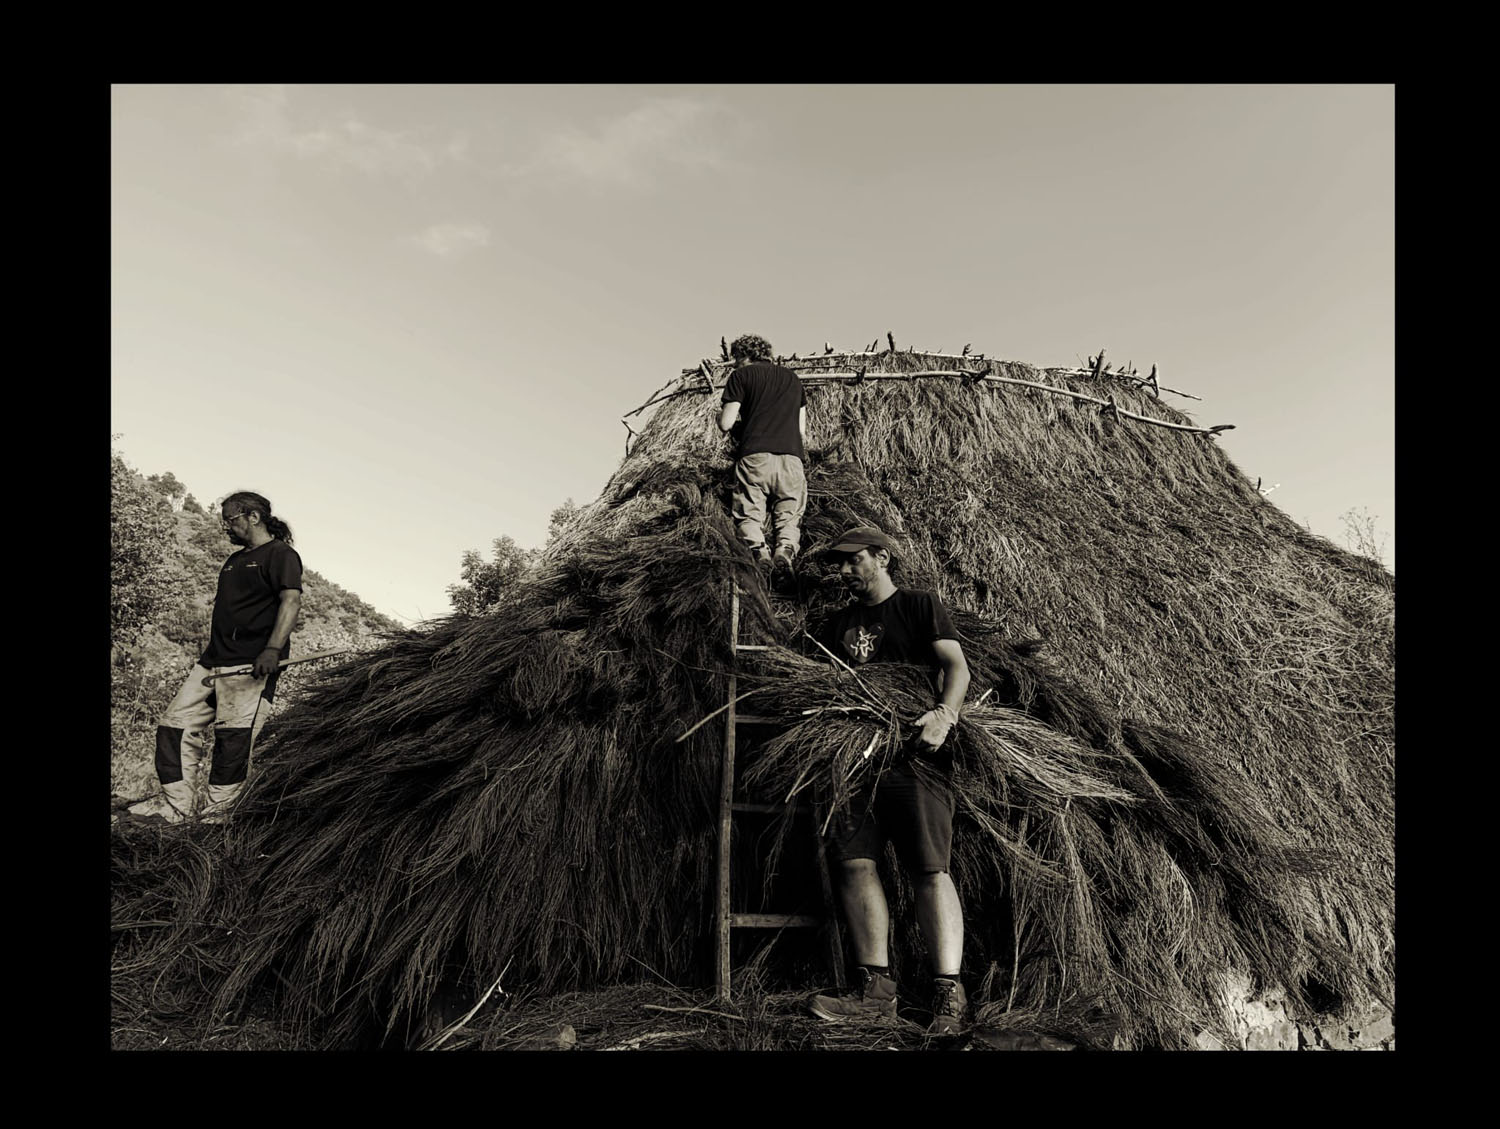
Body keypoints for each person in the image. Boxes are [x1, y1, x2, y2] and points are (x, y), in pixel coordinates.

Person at [808, 526, 972, 1036]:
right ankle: (875, 994)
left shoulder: (919, 605)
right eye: (839, 564)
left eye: (853, 560)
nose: (844, 571)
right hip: (854, 760)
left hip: (915, 756)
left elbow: (957, 667)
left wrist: (944, 715)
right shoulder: (835, 625)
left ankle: (949, 995)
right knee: (854, 864)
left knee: (930, 868)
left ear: (881, 557)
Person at [126, 492, 303, 824]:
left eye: (231, 519)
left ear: (253, 517)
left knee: (233, 741)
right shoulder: (234, 561)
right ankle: (176, 810)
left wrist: (271, 650)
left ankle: (215, 819)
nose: (226, 527)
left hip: (251, 664)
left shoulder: (281, 554)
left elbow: (290, 602)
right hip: (213, 661)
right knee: (174, 725)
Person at [717, 333, 807, 580]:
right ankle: (785, 550)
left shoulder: (741, 376)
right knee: (790, 514)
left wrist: (719, 417)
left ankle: (759, 552)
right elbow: (801, 431)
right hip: (791, 458)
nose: (734, 364)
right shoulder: (793, 379)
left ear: (744, 355)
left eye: (736, 358)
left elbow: (726, 423)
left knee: (748, 513)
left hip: (755, 456)